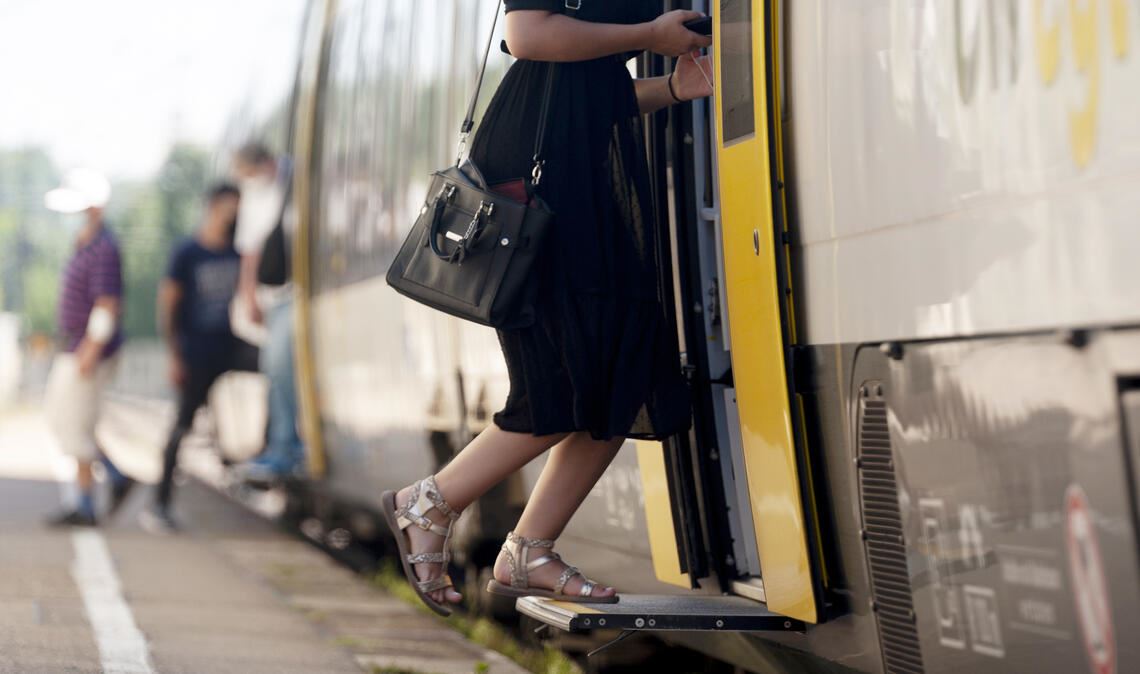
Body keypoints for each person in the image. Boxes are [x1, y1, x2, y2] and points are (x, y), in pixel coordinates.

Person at [381, 3, 714, 614]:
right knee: (562, 376)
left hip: (585, 169)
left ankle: (527, 550)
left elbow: (584, 88)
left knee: (624, 365)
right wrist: (649, 36)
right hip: (537, 185)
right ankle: (430, 502)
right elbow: (529, 37)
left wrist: (670, 87)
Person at [140, 183, 258, 533]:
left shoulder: (238, 252)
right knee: (181, 426)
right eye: (228, 209)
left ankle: (267, 457)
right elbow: (168, 305)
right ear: (212, 208)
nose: (233, 216)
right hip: (195, 351)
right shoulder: (187, 252)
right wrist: (174, 355)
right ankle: (159, 504)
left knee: (277, 372)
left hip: (231, 345)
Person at [43, 169, 136, 527]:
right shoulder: (87, 245)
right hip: (76, 346)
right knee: (71, 422)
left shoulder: (103, 248)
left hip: (86, 350)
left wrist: (91, 349)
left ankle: (93, 496)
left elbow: (107, 303)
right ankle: (104, 485)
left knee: (72, 423)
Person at [230, 143, 305, 482]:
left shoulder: (294, 178)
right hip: (276, 296)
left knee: (279, 367)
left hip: (296, 291)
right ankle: (283, 446)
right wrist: (250, 296)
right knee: (276, 369)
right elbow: (250, 249)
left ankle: (286, 446)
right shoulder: (257, 193)